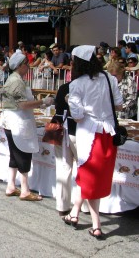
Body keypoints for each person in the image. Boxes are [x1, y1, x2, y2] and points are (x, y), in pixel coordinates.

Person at [65, 45, 123, 239]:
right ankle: (74, 213)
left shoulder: (76, 85)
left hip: (89, 135)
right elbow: (119, 105)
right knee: (90, 177)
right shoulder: (110, 78)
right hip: (108, 133)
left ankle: (96, 225)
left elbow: (78, 116)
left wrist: (69, 100)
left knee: (90, 179)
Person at [0, 50, 53, 201]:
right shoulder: (16, 81)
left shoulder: (15, 79)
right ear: (20, 65)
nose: (28, 66)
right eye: (26, 64)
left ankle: (10, 185)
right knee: (23, 154)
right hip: (18, 121)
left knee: (15, 154)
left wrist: (37, 104)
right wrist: (43, 102)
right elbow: (23, 104)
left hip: (12, 120)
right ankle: (25, 189)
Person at [52, 82, 77, 218]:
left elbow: (58, 107)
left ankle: (62, 205)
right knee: (81, 167)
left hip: (61, 127)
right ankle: (82, 204)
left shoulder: (64, 87)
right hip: (77, 130)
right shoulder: (89, 85)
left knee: (63, 167)